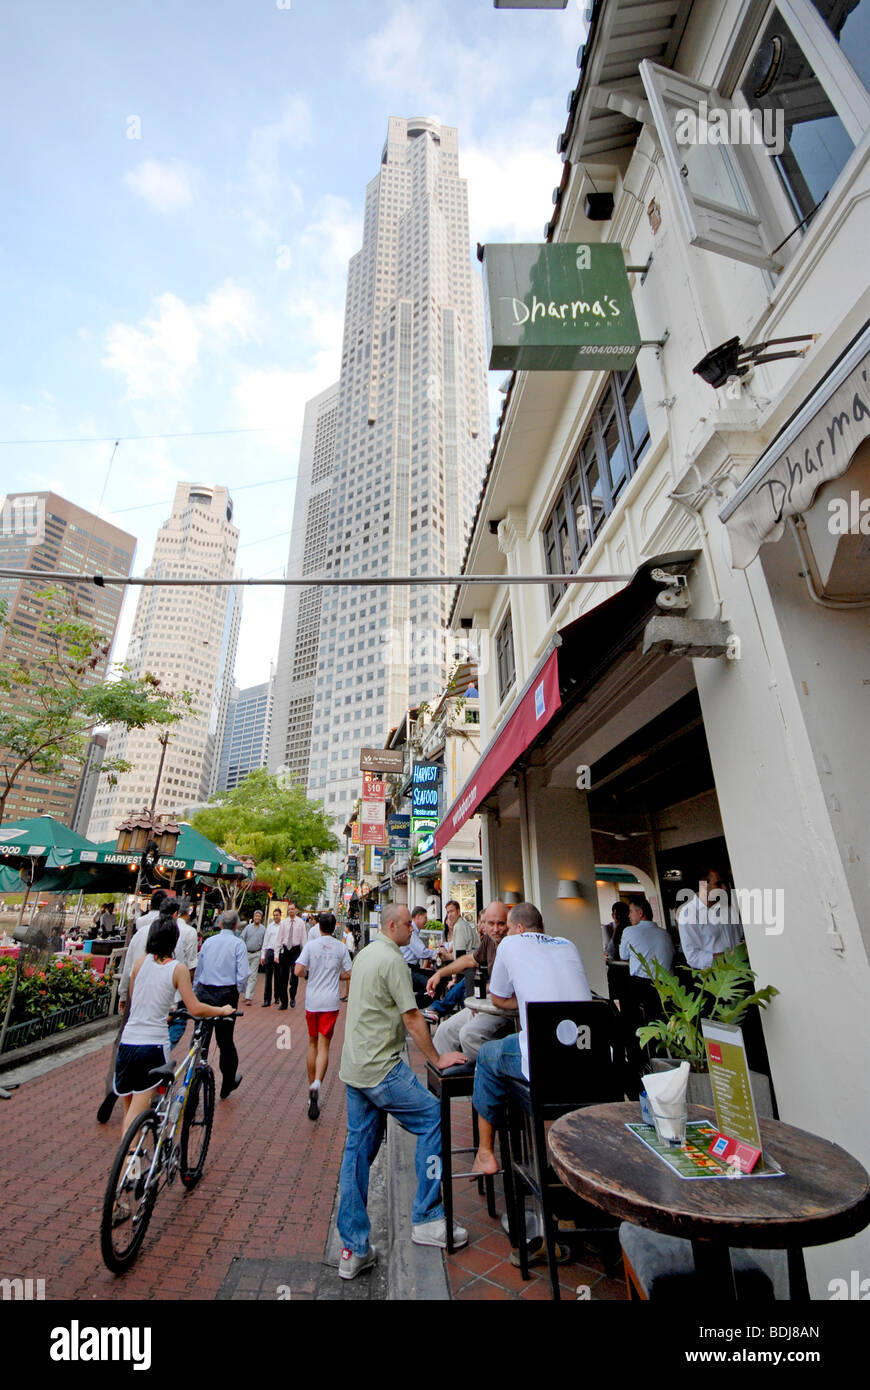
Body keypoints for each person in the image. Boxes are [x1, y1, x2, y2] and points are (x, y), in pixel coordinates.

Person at [336, 903, 468, 1279]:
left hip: (356, 1067)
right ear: (393, 925)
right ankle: (427, 1217)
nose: (414, 929)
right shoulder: (392, 959)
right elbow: (411, 1018)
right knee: (433, 1119)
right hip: (383, 1068)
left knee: (357, 1152)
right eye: (409, 924)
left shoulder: (365, 954)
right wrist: (437, 1057)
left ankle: (353, 1248)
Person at [113, 914, 234, 1209]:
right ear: (175, 941)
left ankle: (137, 1168)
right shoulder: (178, 969)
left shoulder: (140, 963)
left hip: (127, 1043)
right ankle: (120, 1192)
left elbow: (136, 996)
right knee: (134, 1124)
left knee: (131, 1114)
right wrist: (222, 1010)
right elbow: (194, 1007)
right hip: (151, 1046)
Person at [471, 902, 592, 1178]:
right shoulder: (567, 944)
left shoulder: (509, 945)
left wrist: (527, 1004)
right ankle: (562, 1151)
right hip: (589, 1062)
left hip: (543, 1059)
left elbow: (498, 997)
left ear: (520, 928)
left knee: (487, 1055)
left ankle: (486, 1153)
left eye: (509, 928)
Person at [96, 888, 169, 1125]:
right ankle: (147, 1090)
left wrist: (122, 994)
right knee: (154, 1042)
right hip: (155, 997)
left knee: (124, 1040)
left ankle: (114, 1086)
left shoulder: (139, 931)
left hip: (134, 993)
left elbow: (128, 966)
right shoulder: (167, 932)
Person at [424, 901, 511, 1058]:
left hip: (505, 1010)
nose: (496, 929)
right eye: (490, 923)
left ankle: (485, 1078)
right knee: (444, 1031)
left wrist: (487, 988)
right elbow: (469, 960)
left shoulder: (514, 943)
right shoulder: (489, 940)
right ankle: (448, 1080)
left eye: (501, 923)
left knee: (468, 1035)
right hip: (488, 1005)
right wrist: (439, 974)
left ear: (510, 923)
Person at [295, 912, 352, 1120]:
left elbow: (298, 970)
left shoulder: (312, 946)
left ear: (319, 926)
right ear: (335, 926)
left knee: (312, 1043)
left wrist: (310, 974)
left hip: (312, 1001)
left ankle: (312, 1088)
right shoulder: (340, 947)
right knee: (324, 1045)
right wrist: (336, 976)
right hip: (330, 1001)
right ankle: (318, 1082)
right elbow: (350, 971)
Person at [194, 909, 248, 1099]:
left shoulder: (208, 942)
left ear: (219, 924)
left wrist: (196, 992)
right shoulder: (238, 944)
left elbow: (199, 970)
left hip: (204, 992)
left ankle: (192, 1079)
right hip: (226, 994)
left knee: (200, 1038)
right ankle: (227, 1082)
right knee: (225, 1041)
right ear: (236, 926)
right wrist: (238, 992)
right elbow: (243, 974)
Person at [677, 868, 743, 969]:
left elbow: (741, 937)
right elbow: (693, 958)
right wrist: (729, 956)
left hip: (742, 973)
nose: (724, 888)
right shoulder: (688, 914)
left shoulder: (729, 910)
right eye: (719, 884)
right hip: (716, 980)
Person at [619, 896, 675, 980]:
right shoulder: (665, 933)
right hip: (668, 985)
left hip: (643, 984)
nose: (629, 915)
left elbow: (623, 956)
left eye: (631, 911)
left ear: (640, 913)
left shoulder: (629, 931)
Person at [401, 906, 439, 1001]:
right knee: (430, 984)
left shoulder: (415, 931)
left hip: (413, 968)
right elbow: (421, 952)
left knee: (436, 977)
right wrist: (436, 953)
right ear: (418, 917)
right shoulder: (412, 930)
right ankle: (412, 1006)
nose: (426, 921)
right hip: (407, 969)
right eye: (425, 918)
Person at [274, 900, 306, 1009]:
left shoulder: (301, 923)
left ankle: (292, 996)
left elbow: (303, 940)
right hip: (285, 951)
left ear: (296, 910)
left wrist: (304, 956)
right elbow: (279, 939)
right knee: (283, 977)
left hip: (295, 951)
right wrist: (276, 954)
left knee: (294, 975)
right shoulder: (283, 923)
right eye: (289, 909)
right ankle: (284, 1002)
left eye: (292, 909)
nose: (291, 911)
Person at [240, 909, 266, 1006]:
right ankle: (244, 994)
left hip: (256, 953)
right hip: (247, 953)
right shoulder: (248, 927)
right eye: (256, 916)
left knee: (253, 976)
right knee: (244, 974)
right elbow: (242, 938)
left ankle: (249, 997)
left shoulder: (263, 929)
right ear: (253, 917)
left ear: (261, 918)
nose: (257, 918)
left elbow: (264, 942)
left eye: (259, 916)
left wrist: (262, 956)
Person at [261, 907, 281, 1007]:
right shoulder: (270, 926)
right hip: (270, 952)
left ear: (280, 915)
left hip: (279, 953)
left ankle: (277, 997)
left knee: (278, 976)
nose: (276, 917)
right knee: (268, 977)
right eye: (274, 915)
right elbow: (265, 941)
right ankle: (266, 999)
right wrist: (262, 956)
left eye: (277, 915)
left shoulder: (283, 927)